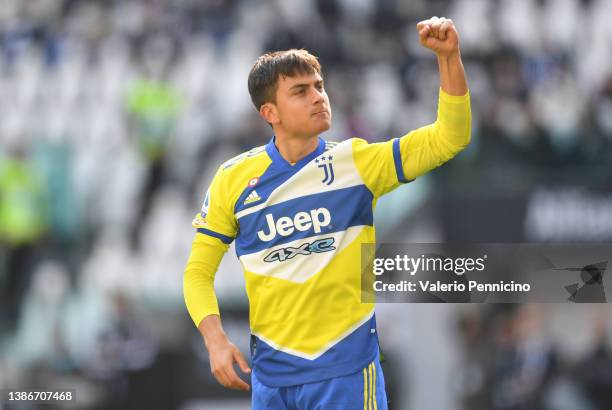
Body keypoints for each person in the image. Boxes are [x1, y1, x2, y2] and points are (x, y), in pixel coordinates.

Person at [183, 16, 470, 409]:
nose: (318, 96)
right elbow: (198, 272)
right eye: (300, 91)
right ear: (271, 113)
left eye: (319, 86)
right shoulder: (233, 179)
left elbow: (449, 137)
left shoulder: (357, 162)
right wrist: (215, 340)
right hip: (272, 380)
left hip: (346, 372)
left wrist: (449, 59)